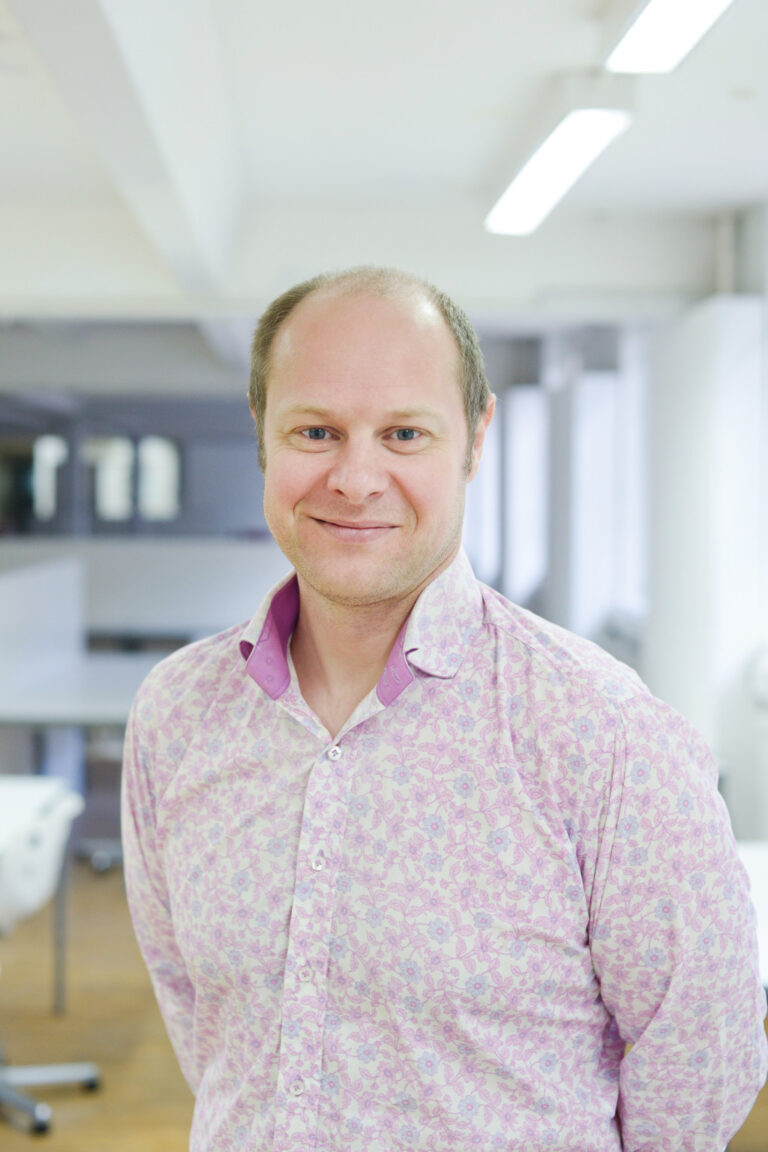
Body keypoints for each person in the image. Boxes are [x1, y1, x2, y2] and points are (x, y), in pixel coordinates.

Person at [122, 266, 767, 1152]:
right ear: (262, 436)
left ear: (474, 439)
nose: (355, 477)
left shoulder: (605, 733)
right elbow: (210, 1026)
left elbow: (702, 1063)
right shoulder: (177, 715)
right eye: (315, 430)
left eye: (404, 433)